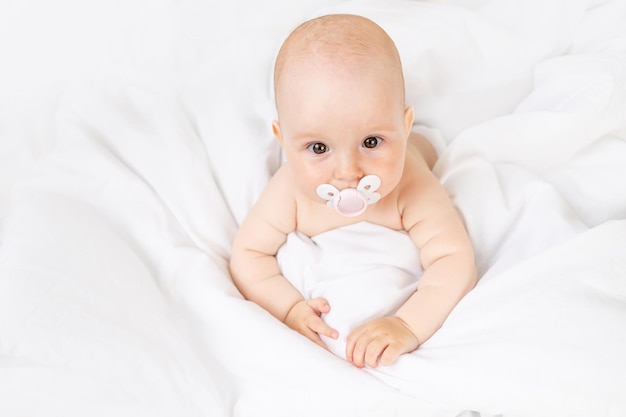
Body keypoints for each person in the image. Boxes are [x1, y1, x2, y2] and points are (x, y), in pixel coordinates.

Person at [229, 14, 477, 369]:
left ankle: (419, 140)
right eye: (318, 148)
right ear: (283, 140)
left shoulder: (411, 186)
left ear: (402, 128)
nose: (348, 172)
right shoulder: (289, 191)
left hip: (420, 151)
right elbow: (249, 254)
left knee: (427, 149)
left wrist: (407, 324)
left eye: (371, 142)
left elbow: (454, 260)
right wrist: (289, 308)